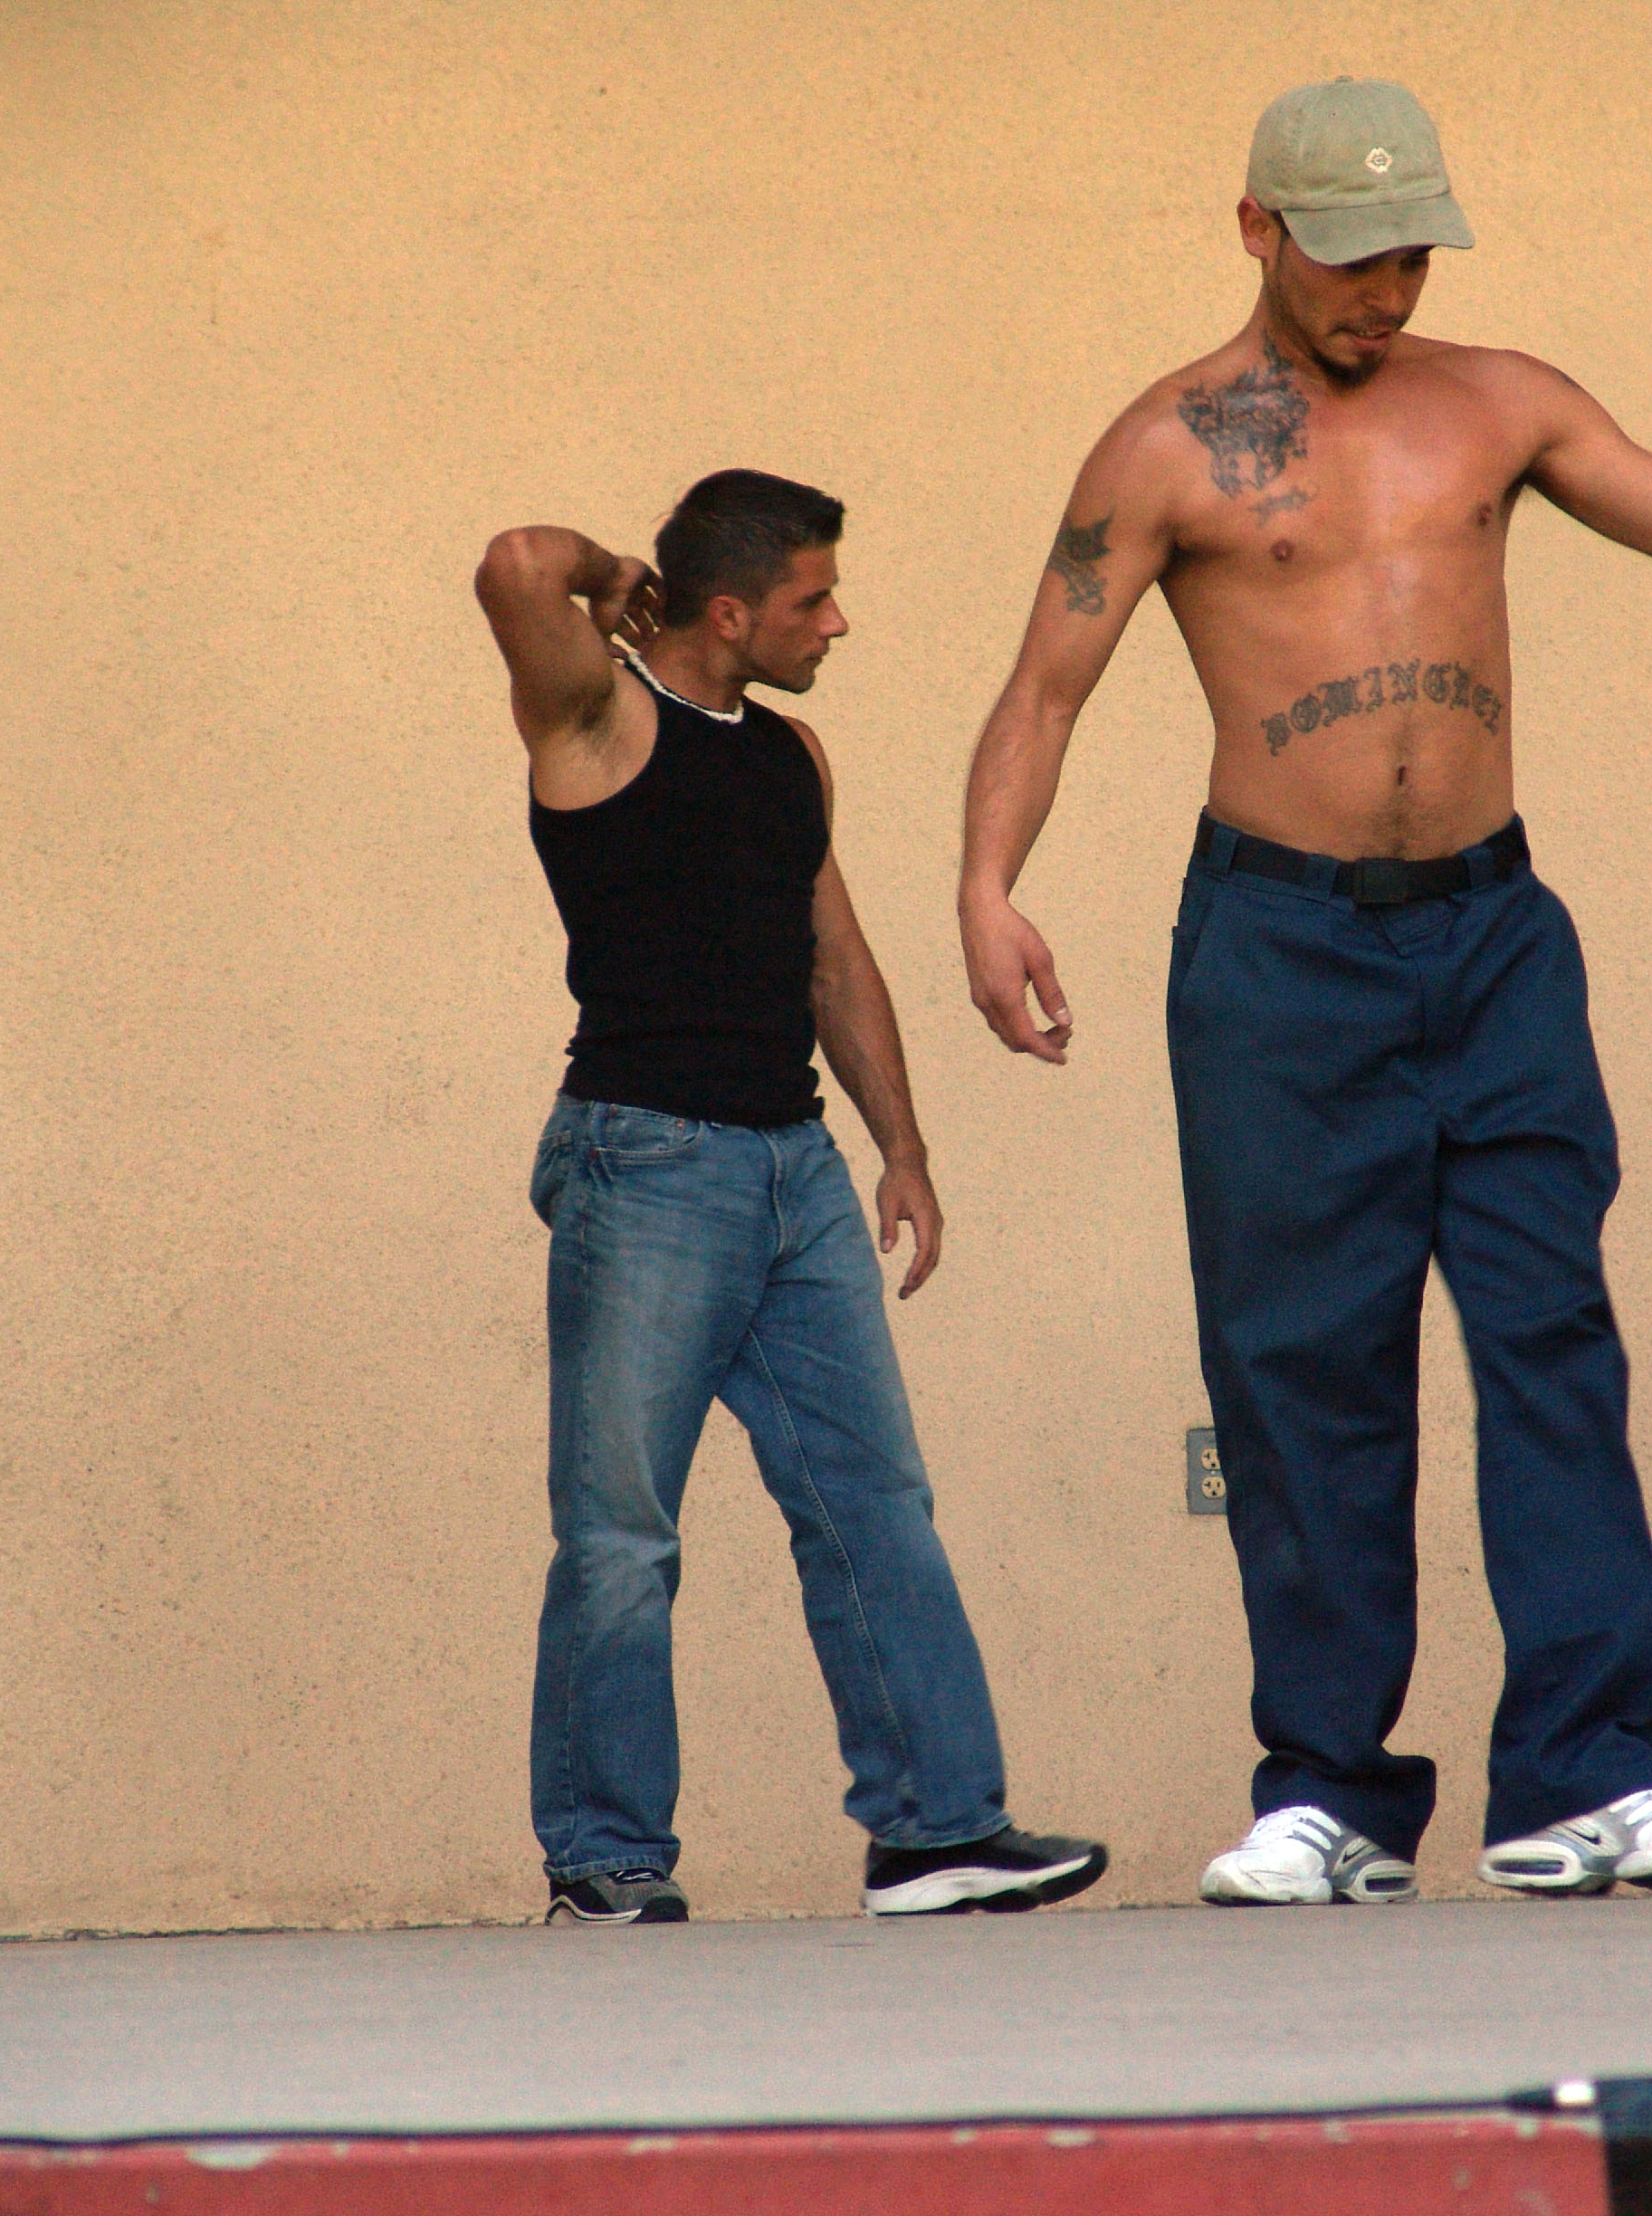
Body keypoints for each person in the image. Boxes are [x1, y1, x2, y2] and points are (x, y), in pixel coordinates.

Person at [958, 80, 1652, 1905]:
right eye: (1350, 256)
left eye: (1410, 254)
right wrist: (985, 888)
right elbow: (1044, 689)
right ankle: (1329, 1793)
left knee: (1551, 1335)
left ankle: (1589, 1775)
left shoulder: (1500, 402)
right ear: (1256, 231)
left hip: (1494, 943)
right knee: (1302, 1371)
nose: (1385, 292)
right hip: (1278, 954)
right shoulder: (1166, 449)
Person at [475, 470, 1105, 1924]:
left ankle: (938, 1832)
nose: (837, 623)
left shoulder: (792, 755)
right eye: (812, 599)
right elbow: (515, 563)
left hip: (794, 1171)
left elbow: (836, 959)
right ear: (726, 611)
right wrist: (609, 567)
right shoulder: (598, 720)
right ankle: (605, 1858)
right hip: (647, 1165)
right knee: (624, 1535)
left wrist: (905, 1151)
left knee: (874, 1504)